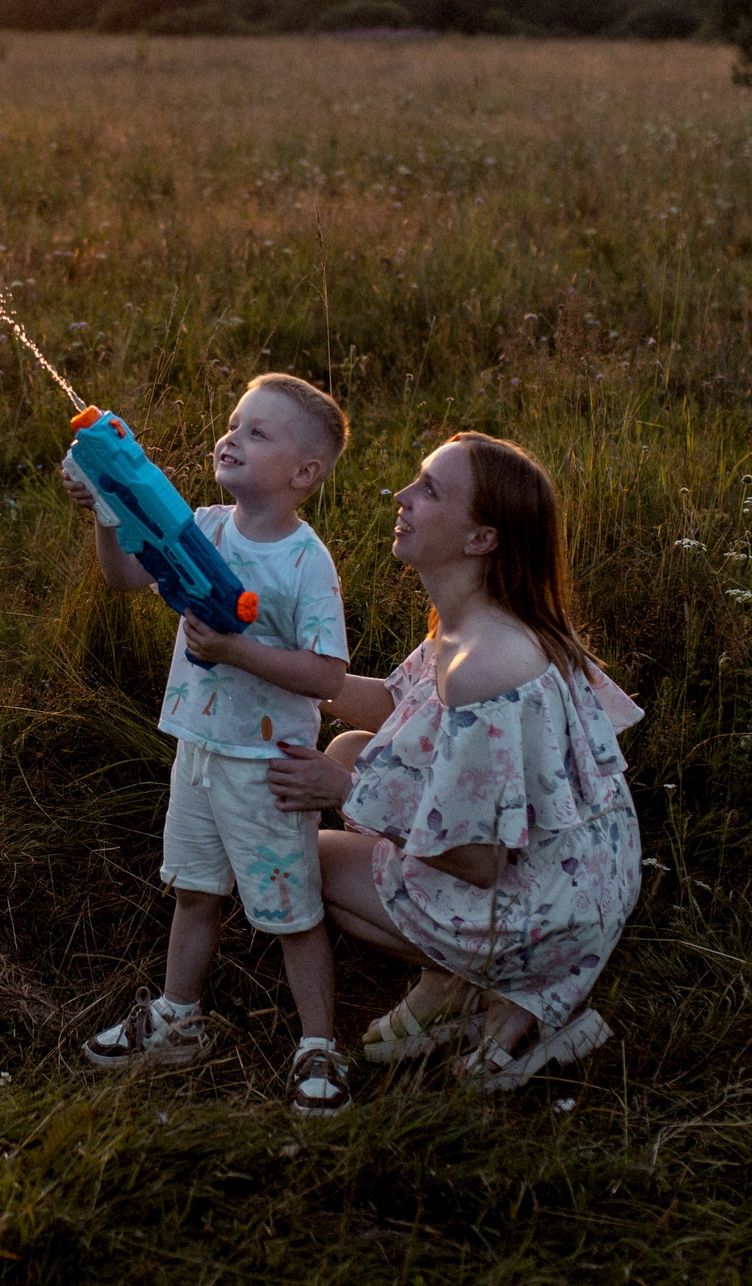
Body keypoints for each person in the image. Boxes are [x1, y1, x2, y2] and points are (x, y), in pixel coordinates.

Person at [267, 431, 642, 1091]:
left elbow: (479, 860)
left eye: (430, 491)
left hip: (542, 904)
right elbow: (396, 704)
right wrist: (283, 668)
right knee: (351, 746)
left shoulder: (487, 665)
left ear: (481, 540)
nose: (402, 497)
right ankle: (466, 985)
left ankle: (486, 984)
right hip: (585, 867)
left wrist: (344, 792)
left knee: (304, 860)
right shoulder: (481, 618)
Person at [63, 374, 354, 1116]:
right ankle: (176, 1015)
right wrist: (107, 512)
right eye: (234, 423)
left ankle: (318, 1044)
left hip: (268, 772)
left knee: (293, 912)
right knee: (193, 892)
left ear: (303, 473)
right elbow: (126, 575)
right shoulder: (202, 527)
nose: (232, 437)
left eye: (258, 432)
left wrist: (238, 650)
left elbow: (326, 673)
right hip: (196, 753)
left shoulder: (305, 562)